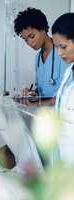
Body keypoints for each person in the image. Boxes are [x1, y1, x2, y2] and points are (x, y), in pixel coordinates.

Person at [14, 7, 68, 106]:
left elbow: (68, 95)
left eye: (32, 36)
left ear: (43, 29)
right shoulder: (38, 59)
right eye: (26, 40)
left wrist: (38, 103)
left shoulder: (64, 54)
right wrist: (32, 95)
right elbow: (42, 91)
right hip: (44, 115)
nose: (30, 43)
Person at [52, 12, 74, 165]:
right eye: (57, 47)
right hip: (64, 151)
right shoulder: (68, 72)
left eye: (63, 46)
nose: (59, 53)